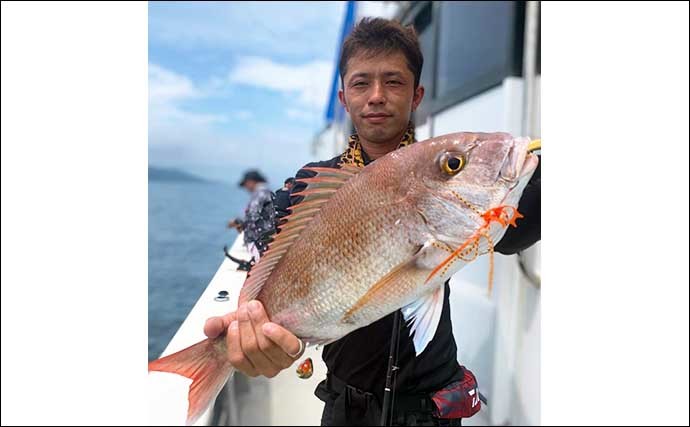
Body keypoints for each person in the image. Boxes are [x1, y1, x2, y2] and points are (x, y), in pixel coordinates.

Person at [205, 18, 540, 426]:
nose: (377, 96)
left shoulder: (446, 180)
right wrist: (259, 340)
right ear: (344, 98)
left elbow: (515, 225)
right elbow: (267, 275)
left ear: (416, 95)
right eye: (362, 83)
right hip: (343, 406)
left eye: (394, 82)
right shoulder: (309, 187)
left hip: (431, 409)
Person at [228, 169, 277, 260]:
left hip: (260, 242)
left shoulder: (260, 193)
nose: (246, 188)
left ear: (250, 182)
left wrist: (236, 222)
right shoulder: (266, 192)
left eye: (245, 185)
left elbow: (252, 216)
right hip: (265, 240)